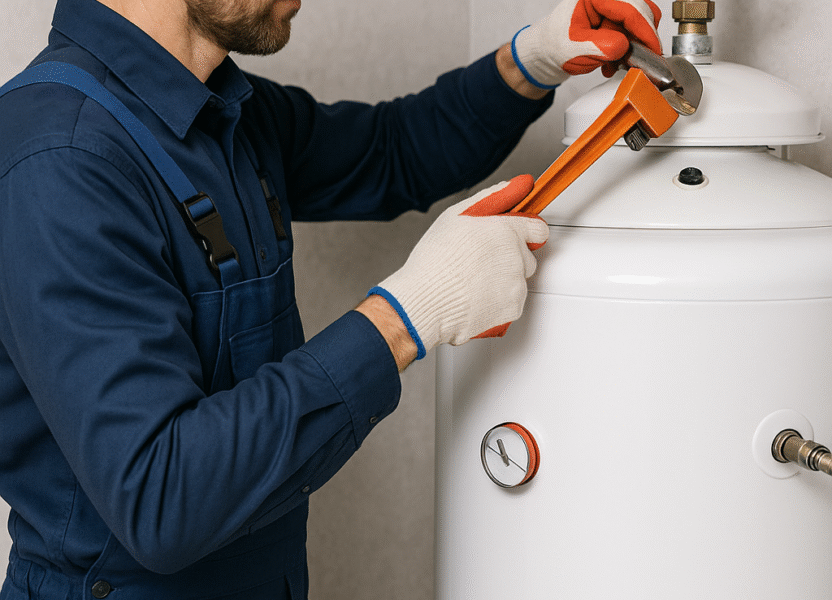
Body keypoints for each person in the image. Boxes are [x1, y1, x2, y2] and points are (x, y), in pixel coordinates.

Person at [0, 0, 661, 597]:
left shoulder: (222, 109)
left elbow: (389, 152)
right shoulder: (61, 159)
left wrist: (532, 59)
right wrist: (407, 317)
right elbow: (162, 497)